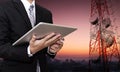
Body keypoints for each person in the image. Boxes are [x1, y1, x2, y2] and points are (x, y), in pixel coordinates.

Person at [0, 0, 64, 72]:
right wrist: (29, 50)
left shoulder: (46, 13)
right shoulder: (3, 7)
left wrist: (51, 49)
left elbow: (44, 44)